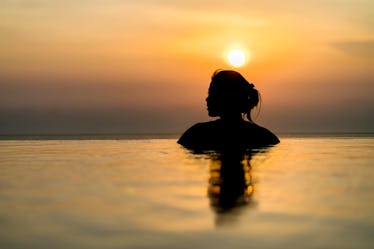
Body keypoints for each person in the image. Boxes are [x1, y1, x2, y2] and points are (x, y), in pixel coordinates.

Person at [178, 70, 279, 151]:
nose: (207, 99)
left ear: (226, 97)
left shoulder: (197, 133)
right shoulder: (265, 136)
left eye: (212, 94)